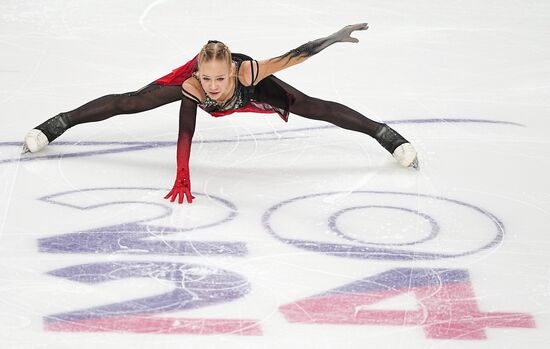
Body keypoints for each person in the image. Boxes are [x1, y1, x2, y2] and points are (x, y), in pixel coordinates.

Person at [23, 23, 418, 204]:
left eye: (217, 78)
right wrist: (183, 176)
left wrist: (334, 37)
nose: (211, 85)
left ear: (230, 71)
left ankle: (385, 135)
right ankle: (57, 123)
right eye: (205, 77)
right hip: (200, 88)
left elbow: (298, 54)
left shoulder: (247, 71)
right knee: (130, 101)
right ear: (198, 72)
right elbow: (185, 132)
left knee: (311, 107)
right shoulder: (193, 86)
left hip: (248, 92)